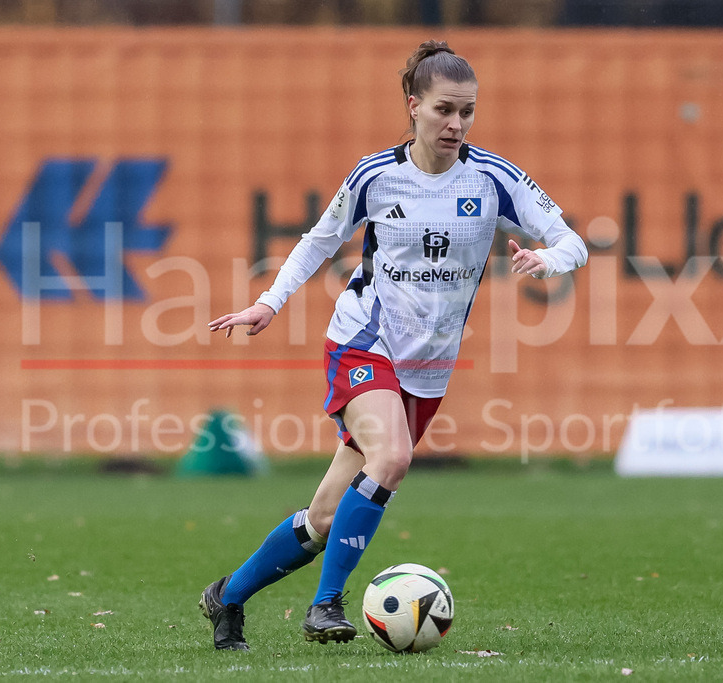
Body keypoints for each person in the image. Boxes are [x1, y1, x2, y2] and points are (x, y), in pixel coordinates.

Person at [200, 39, 588, 651]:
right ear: (414, 105)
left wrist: (546, 256)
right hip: (363, 340)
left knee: (325, 520)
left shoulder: (494, 180)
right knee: (393, 460)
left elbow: (574, 241)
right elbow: (317, 242)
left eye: (467, 111)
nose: (456, 124)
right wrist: (268, 303)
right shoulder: (376, 176)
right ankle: (326, 605)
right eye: (443, 110)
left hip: (427, 368)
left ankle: (227, 597)